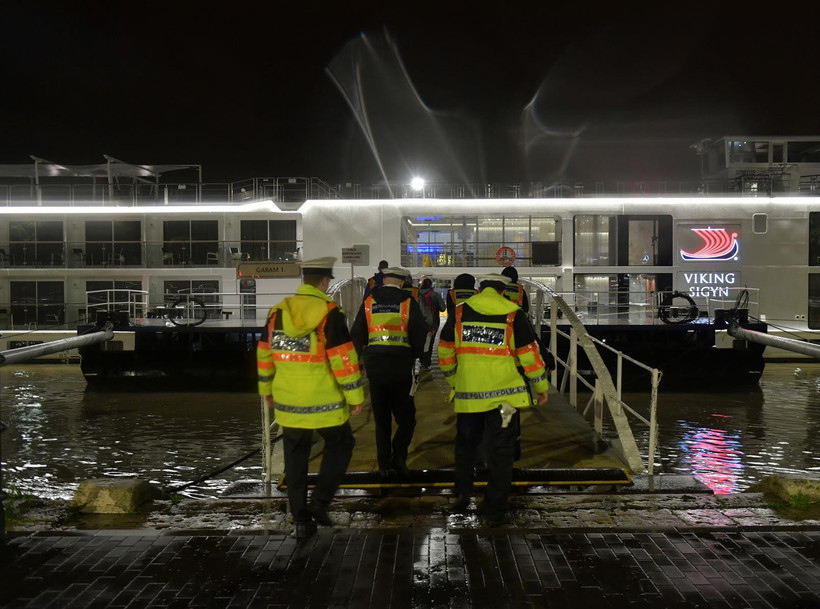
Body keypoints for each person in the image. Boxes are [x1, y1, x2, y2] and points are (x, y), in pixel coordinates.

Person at [257, 256, 365, 539]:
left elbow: (264, 354)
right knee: (341, 443)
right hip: (325, 403)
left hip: (289, 403)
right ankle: (319, 503)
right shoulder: (330, 313)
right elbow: (343, 360)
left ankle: (301, 520)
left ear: (303, 280)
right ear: (325, 281)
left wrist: (266, 390)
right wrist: (355, 397)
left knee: (295, 459)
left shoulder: (278, 312)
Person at [437, 273, 549, 526]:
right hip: (506, 401)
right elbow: (530, 356)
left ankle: (463, 496)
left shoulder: (460, 312)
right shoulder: (513, 314)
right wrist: (540, 387)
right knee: (502, 450)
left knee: (466, 446)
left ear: (479, 289)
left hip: (469, 398)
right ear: (503, 291)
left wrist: (456, 380)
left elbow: (444, 350)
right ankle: (495, 507)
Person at [351, 266, 428, 480]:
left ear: (383, 281)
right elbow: (419, 333)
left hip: (374, 367)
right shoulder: (407, 303)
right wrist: (418, 356)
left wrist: (359, 361)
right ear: (402, 282)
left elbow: (357, 334)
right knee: (407, 419)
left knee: (381, 419)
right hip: (400, 367)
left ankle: (383, 464)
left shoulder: (368, 303)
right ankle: (399, 457)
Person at [418, 277, 446, 367]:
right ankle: (426, 361)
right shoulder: (434, 295)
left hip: (419, 323)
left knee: (421, 341)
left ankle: (421, 359)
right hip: (433, 323)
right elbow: (443, 308)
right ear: (431, 285)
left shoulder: (417, 294)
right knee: (430, 342)